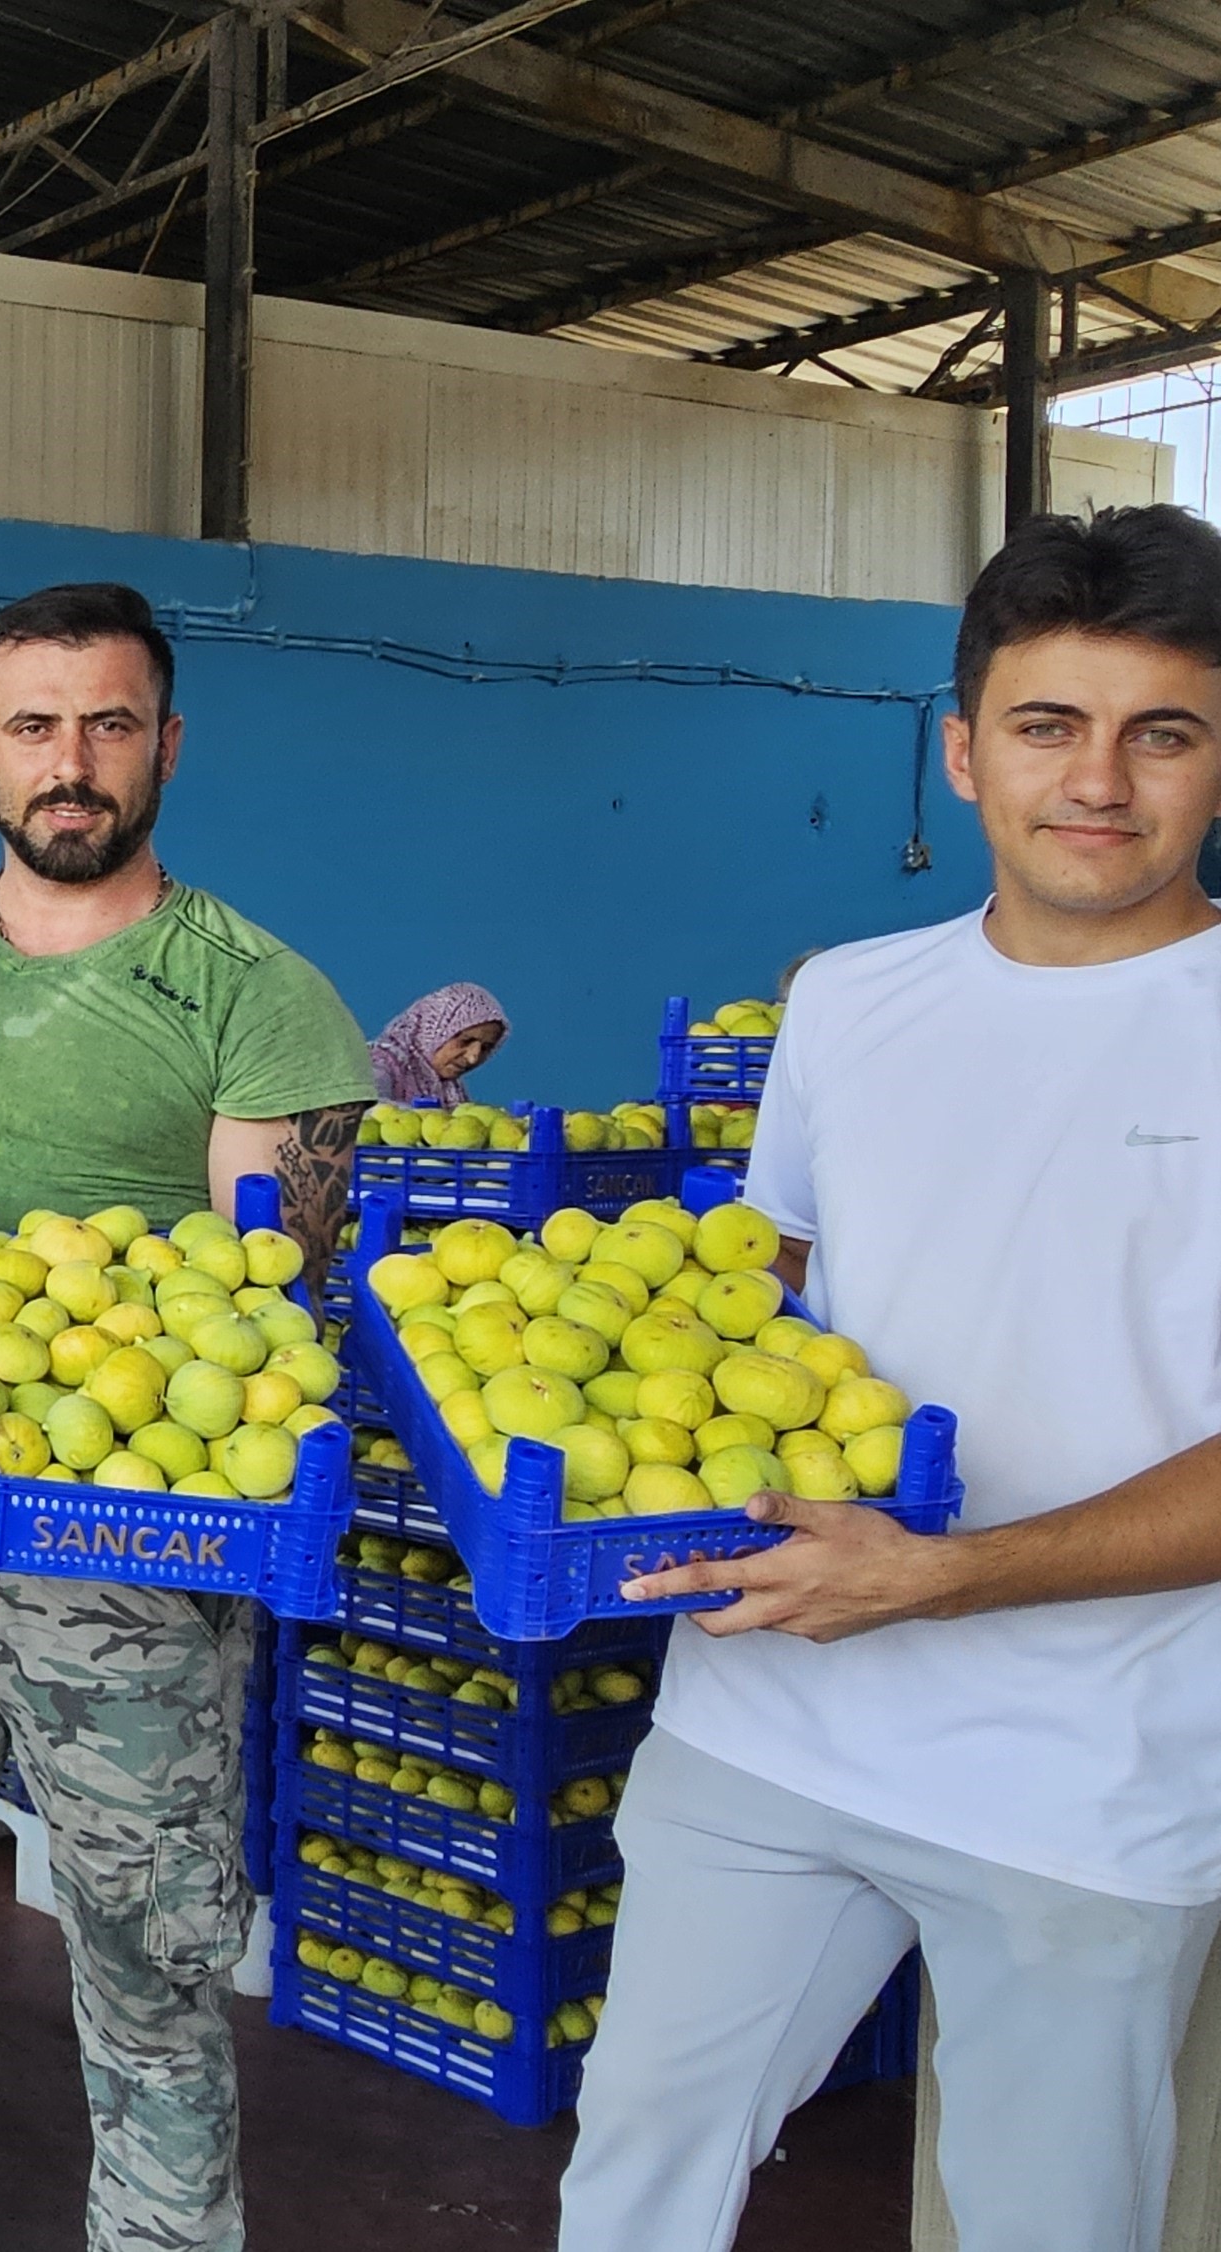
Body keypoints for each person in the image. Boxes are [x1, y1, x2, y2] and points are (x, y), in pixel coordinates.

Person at [558, 507, 1221, 2252]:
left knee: (1046, 2223)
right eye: (1045, 726)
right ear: (961, 751)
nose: (1098, 781)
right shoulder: (848, 1004)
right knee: (635, 2168)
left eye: (1161, 731)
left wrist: (950, 1574)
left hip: (1089, 1771)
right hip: (768, 1713)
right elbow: (760, 1303)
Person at [0, 581, 373, 2252]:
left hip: (130, 1554)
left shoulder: (255, 988)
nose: (73, 760)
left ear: (166, 745)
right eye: (35, 725)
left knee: (151, 1966)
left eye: (110, 723)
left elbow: (258, 1316)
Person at [368, 981, 507, 1105]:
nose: (473, 1058)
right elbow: (364, 1108)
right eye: (465, 1041)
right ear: (433, 1030)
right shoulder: (380, 1064)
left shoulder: (451, 1090)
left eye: (486, 1048)